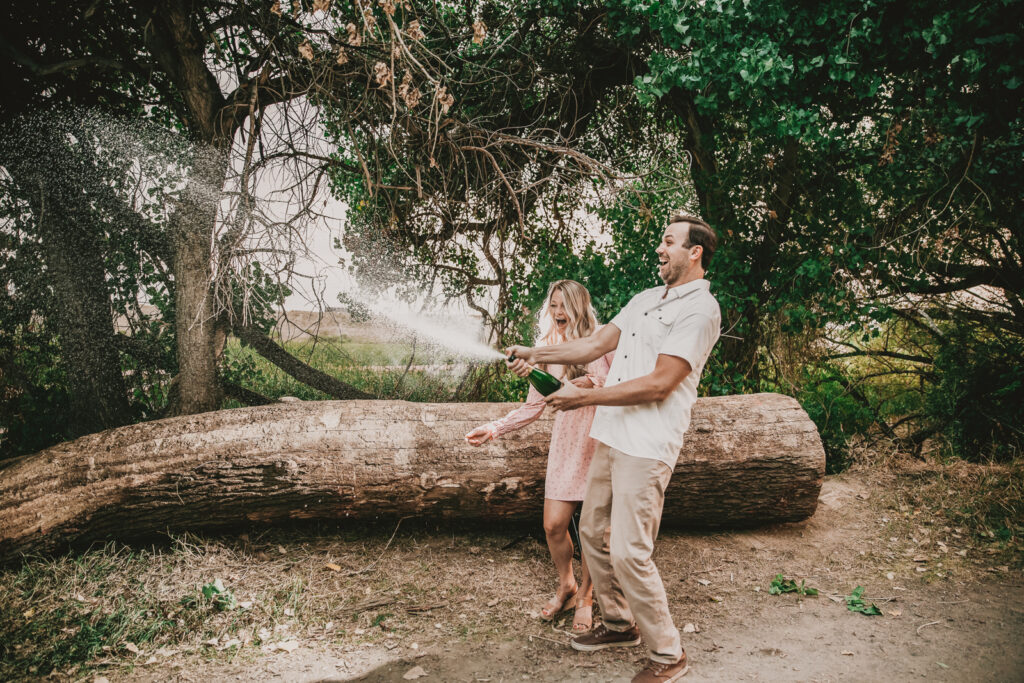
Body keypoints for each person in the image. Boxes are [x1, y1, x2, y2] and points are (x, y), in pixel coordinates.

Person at [505, 214, 721, 683]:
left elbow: (662, 382)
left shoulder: (700, 311)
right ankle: (620, 624)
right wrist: (536, 354)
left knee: (629, 551)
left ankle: (669, 654)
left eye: (669, 242)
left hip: (647, 446)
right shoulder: (645, 300)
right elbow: (597, 343)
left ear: (694, 251)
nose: (660, 249)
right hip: (611, 436)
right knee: (593, 534)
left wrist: (583, 397)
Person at [465, 280, 614, 633]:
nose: (558, 312)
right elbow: (534, 407)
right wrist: (495, 428)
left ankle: (587, 598)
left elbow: (618, 384)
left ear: (581, 306)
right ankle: (567, 584)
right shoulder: (545, 350)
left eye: (565, 305)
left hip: (600, 440)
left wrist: (591, 384)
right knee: (553, 525)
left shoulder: (603, 338)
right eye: (554, 305)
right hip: (566, 444)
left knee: (594, 532)